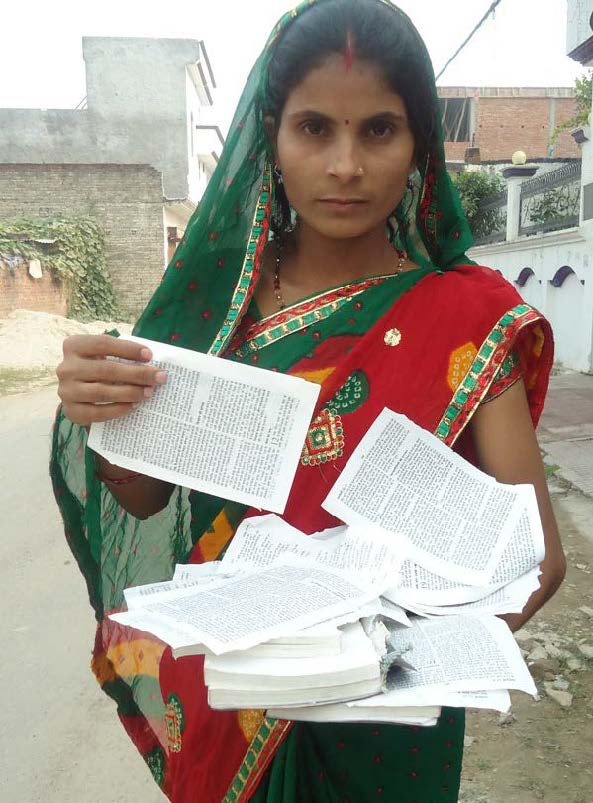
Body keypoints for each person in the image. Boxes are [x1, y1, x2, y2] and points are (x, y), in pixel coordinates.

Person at [51, 1, 566, 800]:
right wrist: (108, 415)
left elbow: (532, 561)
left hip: (383, 728)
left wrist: (366, 665)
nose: (346, 166)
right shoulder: (213, 307)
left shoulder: (467, 317)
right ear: (273, 141)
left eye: (379, 131)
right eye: (315, 128)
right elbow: (145, 496)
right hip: (232, 703)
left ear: (418, 146)